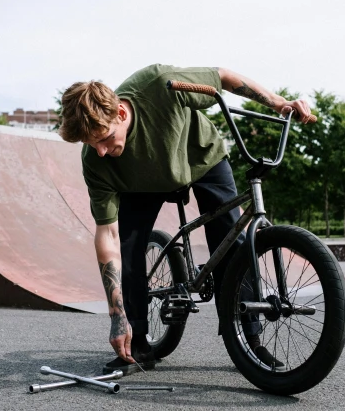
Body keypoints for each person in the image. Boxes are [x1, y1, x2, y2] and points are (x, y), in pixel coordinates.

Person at [59, 65, 313, 375]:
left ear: (121, 115)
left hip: (200, 158)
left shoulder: (158, 85)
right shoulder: (96, 162)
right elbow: (107, 236)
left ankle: (251, 338)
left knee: (230, 239)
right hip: (139, 184)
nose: (100, 151)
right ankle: (138, 342)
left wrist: (277, 102)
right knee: (128, 246)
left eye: (105, 139)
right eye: (91, 144)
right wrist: (117, 315)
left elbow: (222, 77)